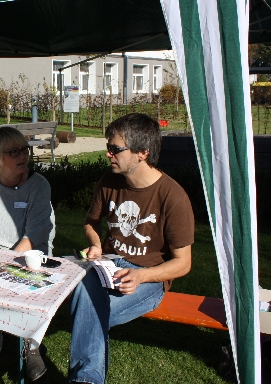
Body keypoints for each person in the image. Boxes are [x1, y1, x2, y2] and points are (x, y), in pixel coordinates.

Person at [67, 113, 194, 384]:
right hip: (108, 265)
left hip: (149, 277)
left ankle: (85, 379)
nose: (108, 154)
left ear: (142, 152)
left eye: (115, 149)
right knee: (86, 296)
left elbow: (183, 263)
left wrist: (141, 276)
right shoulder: (109, 181)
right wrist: (96, 244)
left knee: (88, 312)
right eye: (108, 147)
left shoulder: (173, 197)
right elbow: (91, 222)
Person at [0, 127, 55, 384]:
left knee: (0, 290)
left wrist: (2, 269)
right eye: (14, 152)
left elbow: (33, 236)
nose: (23, 155)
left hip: (27, 256)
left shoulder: (38, 185)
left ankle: (25, 345)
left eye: (24, 149)